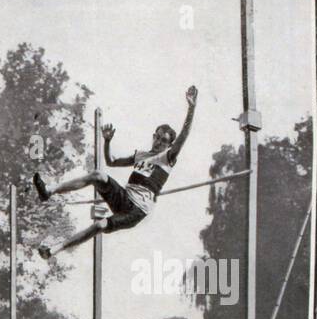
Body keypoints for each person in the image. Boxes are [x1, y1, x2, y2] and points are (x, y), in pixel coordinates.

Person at [33, 86, 197, 258]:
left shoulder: (167, 158)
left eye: (163, 141)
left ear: (169, 145)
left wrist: (191, 108)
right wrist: (107, 142)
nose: (158, 142)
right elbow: (111, 162)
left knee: (100, 226)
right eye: (157, 137)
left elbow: (184, 136)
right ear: (153, 135)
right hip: (123, 197)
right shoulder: (141, 155)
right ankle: (48, 191)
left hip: (136, 211)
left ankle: (53, 250)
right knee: (98, 175)